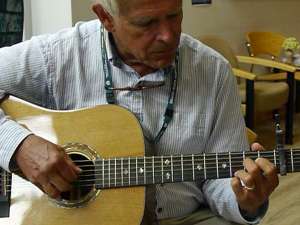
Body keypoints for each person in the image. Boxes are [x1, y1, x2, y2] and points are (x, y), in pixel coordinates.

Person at [0, 0, 278, 224]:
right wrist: (19, 146)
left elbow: (219, 180)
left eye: (175, 15)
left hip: (187, 216)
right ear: (105, 17)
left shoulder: (213, 70)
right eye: (146, 23)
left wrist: (245, 200)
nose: (168, 36)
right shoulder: (56, 56)